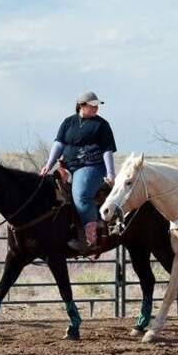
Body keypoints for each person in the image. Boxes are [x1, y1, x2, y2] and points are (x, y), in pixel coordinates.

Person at [40, 90, 117, 253]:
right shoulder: (68, 122)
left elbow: (107, 150)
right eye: (92, 106)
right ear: (82, 105)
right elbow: (59, 144)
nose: (96, 109)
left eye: (97, 106)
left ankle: (91, 234)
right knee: (48, 190)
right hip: (67, 165)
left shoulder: (101, 125)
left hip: (91, 166)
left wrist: (110, 173)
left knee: (81, 194)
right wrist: (49, 164)